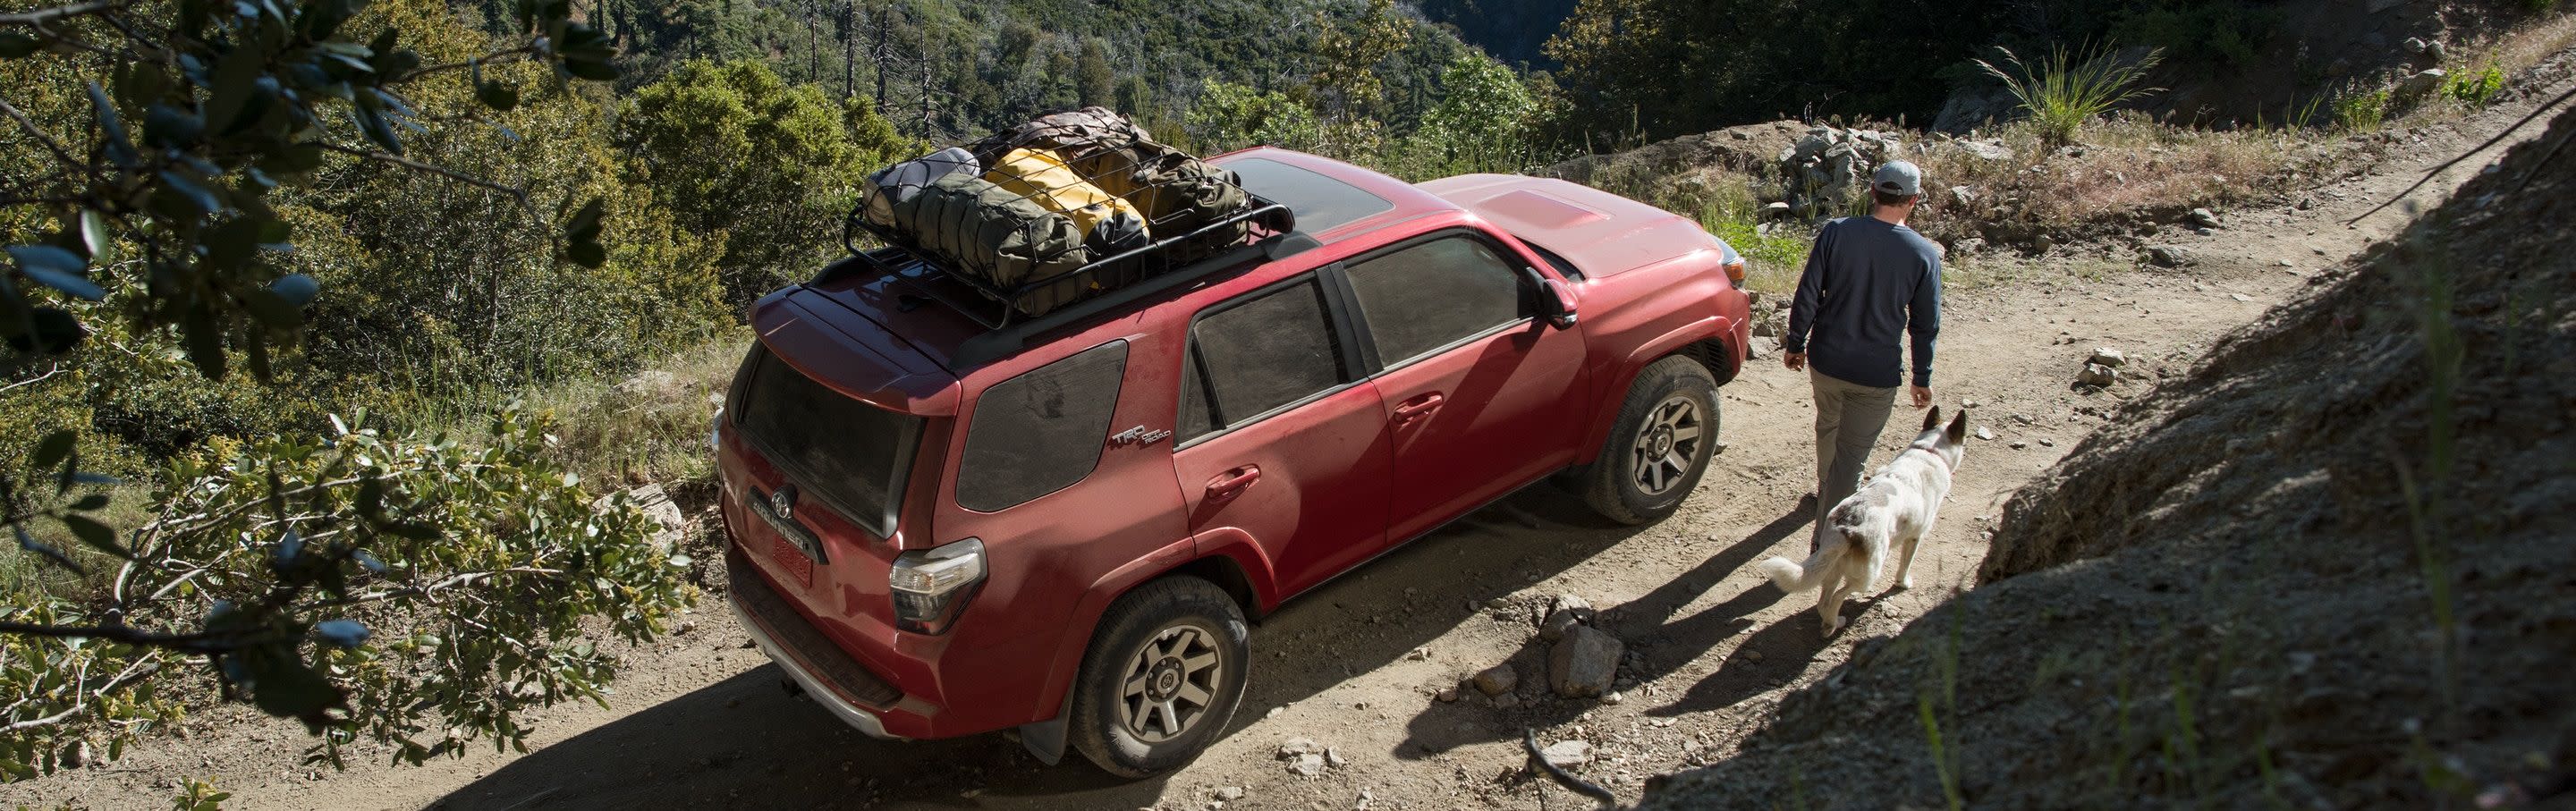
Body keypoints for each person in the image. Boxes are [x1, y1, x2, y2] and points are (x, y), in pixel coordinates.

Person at [1780, 160, 1943, 549]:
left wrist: (1796, 342)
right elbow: (1924, 324)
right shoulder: (1924, 254)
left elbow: (1808, 292)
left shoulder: (1837, 232)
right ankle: (1824, 544)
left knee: (1828, 425)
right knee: (1851, 461)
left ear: (1871, 191)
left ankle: (1825, 488)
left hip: (1826, 361)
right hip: (1876, 375)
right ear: (1914, 201)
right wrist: (1922, 376)